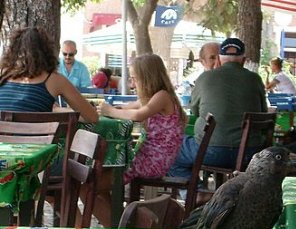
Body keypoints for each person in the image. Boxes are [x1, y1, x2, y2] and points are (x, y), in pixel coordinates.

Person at [168, 37, 267, 179]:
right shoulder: (255, 79)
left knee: (169, 149)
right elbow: (263, 112)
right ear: (244, 60)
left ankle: (196, 191)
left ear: (220, 60)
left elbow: (195, 111)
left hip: (210, 152)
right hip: (249, 154)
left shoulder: (204, 78)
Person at [100, 53, 186, 185]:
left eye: (134, 79)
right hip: (149, 158)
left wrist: (110, 111)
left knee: (94, 180)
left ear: (147, 79)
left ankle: (109, 202)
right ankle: (107, 203)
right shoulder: (151, 98)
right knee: (97, 174)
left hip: (154, 161)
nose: (132, 85)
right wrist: (110, 109)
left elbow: (138, 115)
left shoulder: (162, 96)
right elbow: (128, 107)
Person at [0, 27, 97, 123]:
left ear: (12, 51)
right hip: (35, 138)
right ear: (47, 51)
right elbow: (92, 117)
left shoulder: (3, 76)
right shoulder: (54, 80)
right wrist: (57, 110)